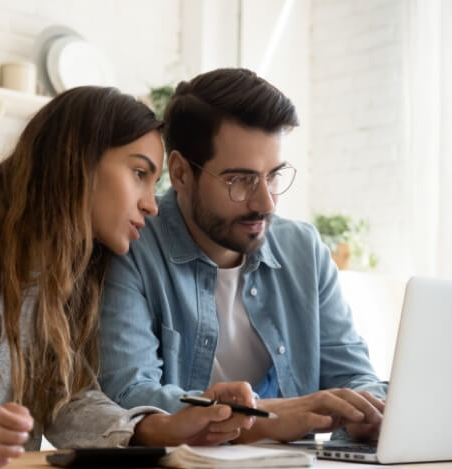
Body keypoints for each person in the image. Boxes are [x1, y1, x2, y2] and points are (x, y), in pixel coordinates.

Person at [0, 86, 257, 469]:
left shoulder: (67, 275)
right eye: (139, 173)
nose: (150, 204)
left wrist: (161, 427)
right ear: (78, 161)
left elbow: (67, 402)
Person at [98, 68, 387, 444]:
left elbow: (353, 374)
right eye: (240, 180)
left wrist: (369, 412)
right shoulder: (130, 247)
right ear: (182, 173)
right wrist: (269, 418)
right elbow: (128, 395)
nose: (265, 202)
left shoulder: (304, 250)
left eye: (274, 176)